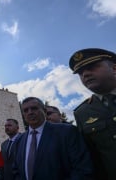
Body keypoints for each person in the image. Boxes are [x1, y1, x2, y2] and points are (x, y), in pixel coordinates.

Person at [13, 97, 93, 180]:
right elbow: (16, 171)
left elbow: (81, 168)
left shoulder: (67, 132)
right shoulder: (19, 140)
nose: (30, 112)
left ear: (44, 111)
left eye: (34, 108)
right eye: (26, 110)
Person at [69, 48, 116, 180]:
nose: (85, 74)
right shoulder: (82, 112)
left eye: (92, 67)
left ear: (114, 68)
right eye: (80, 73)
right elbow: (92, 159)